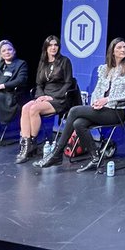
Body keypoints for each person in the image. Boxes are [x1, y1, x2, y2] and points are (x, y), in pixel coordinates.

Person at [38, 37, 125, 172]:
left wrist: (107, 100)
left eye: (124, 47)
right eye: (119, 47)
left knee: (74, 111)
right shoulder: (105, 69)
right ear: (112, 51)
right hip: (102, 109)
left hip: (117, 111)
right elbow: (97, 90)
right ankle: (95, 157)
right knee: (78, 123)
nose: (123, 50)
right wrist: (96, 103)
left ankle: (56, 153)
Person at [15, 35, 76, 163]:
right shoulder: (43, 62)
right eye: (50, 45)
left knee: (34, 109)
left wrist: (52, 97)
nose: (53, 48)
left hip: (59, 99)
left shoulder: (65, 61)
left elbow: (68, 83)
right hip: (43, 96)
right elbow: (39, 84)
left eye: (56, 45)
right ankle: (27, 144)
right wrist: (41, 96)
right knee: (26, 107)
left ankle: (31, 144)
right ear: (46, 48)